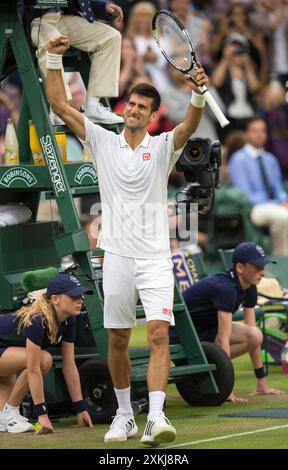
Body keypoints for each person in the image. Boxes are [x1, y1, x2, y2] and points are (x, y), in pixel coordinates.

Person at [45, 34, 208, 446]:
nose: (134, 110)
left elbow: (188, 126)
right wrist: (51, 58)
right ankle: (124, 415)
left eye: (142, 107)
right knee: (117, 338)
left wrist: (199, 95)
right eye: (130, 104)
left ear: (153, 116)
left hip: (155, 258)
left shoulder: (162, 146)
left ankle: (155, 416)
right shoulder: (102, 140)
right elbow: (59, 105)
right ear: (125, 109)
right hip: (116, 256)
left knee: (157, 334)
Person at [180, 242, 284, 402]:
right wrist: (226, 389)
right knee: (232, 338)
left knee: (255, 335)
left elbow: (253, 335)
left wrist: (261, 381)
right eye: (257, 267)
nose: (262, 272)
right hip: (182, 333)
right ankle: (211, 373)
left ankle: (212, 367)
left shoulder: (250, 286)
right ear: (240, 268)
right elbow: (223, 338)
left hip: (205, 330)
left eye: (262, 267)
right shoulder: (226, 288)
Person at [0, 274, 94, 434]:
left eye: (80, 296)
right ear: (55, 299)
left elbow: (69, 366)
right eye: (73, 296)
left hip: (7, 349)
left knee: (2, 421)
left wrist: (81, 408)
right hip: (5, 350)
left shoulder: (69, 320)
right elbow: (33, 368)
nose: (80, 300)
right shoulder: (38, 319)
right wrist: (42, 414)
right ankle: (11, 411)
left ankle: (8, 413)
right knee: (43, 360)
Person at [21, 0, 124, 125]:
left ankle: (92, 107)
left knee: (111, 37)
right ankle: (59, 109)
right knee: (53, 39)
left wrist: (104, 6)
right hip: (33, 20)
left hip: (61, 17)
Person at [229, 116, 288, 256]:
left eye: (262, 131)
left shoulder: (270, 159)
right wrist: (277, 204)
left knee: (283, 212)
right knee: (283, 216)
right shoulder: (238, 159)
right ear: (246, 134)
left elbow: (278, 189)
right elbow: (245, 195)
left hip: (273, 205)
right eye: (254, 131)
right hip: (253, 208)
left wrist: (284, 200)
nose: (259, 134)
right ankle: (281, 258)